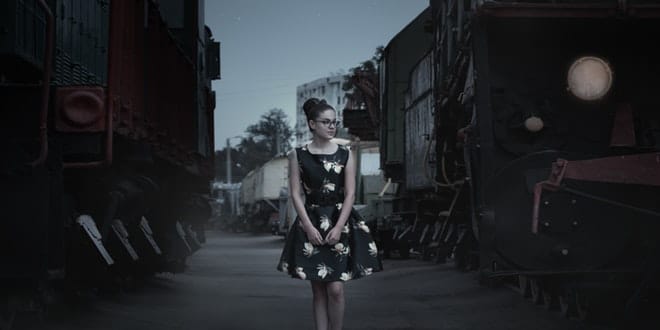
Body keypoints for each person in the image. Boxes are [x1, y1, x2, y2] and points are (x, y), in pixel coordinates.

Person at [277, 98, 382, 330]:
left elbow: (351, 194)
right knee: (318, 289)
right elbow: (295, 194)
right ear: (313, 124)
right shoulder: (297, 155)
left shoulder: (345, 154)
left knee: (335, 288)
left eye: (334, 122)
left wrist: (338, 227)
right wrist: (308, 227)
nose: (332, 126)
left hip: (339, 220)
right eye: (326, 122)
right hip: (310, 221)